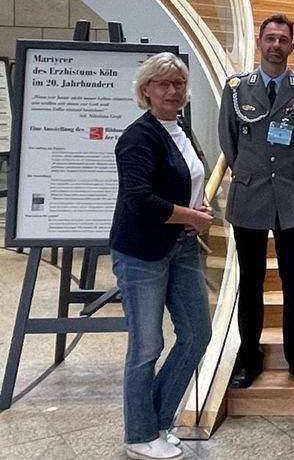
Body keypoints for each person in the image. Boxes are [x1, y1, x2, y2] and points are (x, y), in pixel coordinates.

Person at [111, 52, 212, 460]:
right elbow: (139, 200)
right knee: (146, 346)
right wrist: (192, 216)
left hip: (182, 247)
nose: (173, 91)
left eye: (179, 85)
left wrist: (198, 208)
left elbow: (189, 177)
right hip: (141, 253)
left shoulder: (179, 129)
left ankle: (156, 422)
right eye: (163, 84)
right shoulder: (137, 137)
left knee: (197, 335)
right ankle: (139, 433)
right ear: (146, 90)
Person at [218, 14, 294, 389]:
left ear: (291, 47)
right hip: (249, 195)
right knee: (250, 281)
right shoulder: (235, 88)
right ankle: (249, 356)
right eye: (270, 38)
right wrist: (249, 171)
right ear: (260, 43)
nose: (276, 45)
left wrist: (293, 178)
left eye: (283, 40)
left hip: (290, 197)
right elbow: (229, 142)